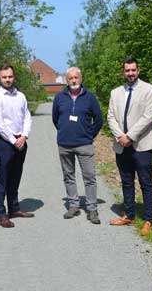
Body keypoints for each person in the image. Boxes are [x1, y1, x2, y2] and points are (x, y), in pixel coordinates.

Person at [107, 57, 152, 235]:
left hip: (142, 145)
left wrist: (130, 136)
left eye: (133, 70)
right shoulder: (115, 93)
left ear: (138, 70)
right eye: (127, 70)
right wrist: (121, 136)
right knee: (126, 182)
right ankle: (129, 215)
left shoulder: (149, 90)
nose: (130, 73)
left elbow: (148, 117)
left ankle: (148, 220)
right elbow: (111, 117)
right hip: (122, 145)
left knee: (146, 183)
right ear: (123, 72)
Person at [52, 67, 103, 224]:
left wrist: (89, 135)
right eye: (70, 78)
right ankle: (73, 205)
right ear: (67, 80)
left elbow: (99, 119)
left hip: (84, 144)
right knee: (69, 176)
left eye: (76, 78)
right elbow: (55, 119)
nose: (73, 81)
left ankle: (92, 208)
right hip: (65, 144)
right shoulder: (59, 97)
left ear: (81, 78)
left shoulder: (90, 97)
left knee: (89, 177)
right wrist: (64, 132)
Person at [0, 64, 33, 228]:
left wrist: (25, 135)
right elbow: (0, 125)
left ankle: (14, 208)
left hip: (21, 140)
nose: (8, 79)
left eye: (10, 76)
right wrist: (14, 141)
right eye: (4, 77)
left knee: (16, 176)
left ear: (14, 77)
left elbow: (27, 116)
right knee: (3, 179)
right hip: (5, 143)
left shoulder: (20, 96)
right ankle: (1, 214)